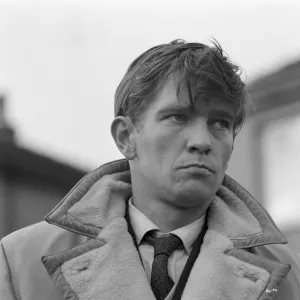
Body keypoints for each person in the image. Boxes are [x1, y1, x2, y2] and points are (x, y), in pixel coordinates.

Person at [1, 39, 300, 300]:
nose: (202, 141)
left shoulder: (289, 276)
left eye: (220, 123)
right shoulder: (20, 262)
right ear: (125, 137)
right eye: (178, 117)